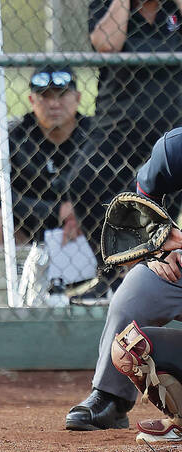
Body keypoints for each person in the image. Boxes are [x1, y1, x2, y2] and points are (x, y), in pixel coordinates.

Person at [65, 127, 182, 431]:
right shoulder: (176, 148)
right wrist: (160, 247)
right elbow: (142, 200)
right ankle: (109, 398)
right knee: (137, 292)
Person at [68, 0, 182, 303]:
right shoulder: (109, 6)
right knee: (83, 182)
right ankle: (111, 272)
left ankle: (152, 272)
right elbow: (106, 44)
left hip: (171, 126)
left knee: (164, 196)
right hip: (115, 123)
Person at [0, 66, 90, 251]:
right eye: (45, 96)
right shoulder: (13, 134)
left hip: (85, 226)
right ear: (31, 100)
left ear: (78, 98)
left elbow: (119, 183)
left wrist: (82, 211)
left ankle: (117, 278)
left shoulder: (95, 134)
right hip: (26, 229)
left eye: (61, 94)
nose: (53, 104)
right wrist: (56, 211)